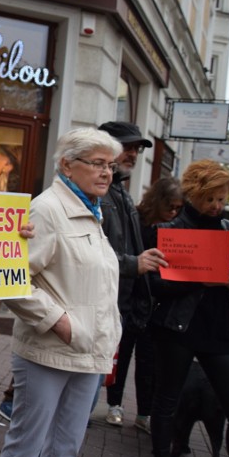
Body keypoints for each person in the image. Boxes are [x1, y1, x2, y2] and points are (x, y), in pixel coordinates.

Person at [0, 127, 122, 457]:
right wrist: (58, 321)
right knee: (26, 446)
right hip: (48, 353)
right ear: (67, 166)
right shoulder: (48, 210)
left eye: (111, 166)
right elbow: (11, 278)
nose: (107, 172)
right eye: (98, 163)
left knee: (66, 449)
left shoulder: (93, 210)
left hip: (88, 352)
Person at [147, 159, 229, 457]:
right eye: (209, 198)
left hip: (219, 329)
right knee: (167, 401)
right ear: (193, 193)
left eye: (221, 198)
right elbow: (156, 286)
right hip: (177, 327)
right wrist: (201, 279)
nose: (216, 206)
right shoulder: (168, 230)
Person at [97, 121, 167, 434]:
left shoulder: (121, 193)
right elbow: (85, 254)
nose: (134, 154)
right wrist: (133, 265)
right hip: (98, 306)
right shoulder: (96, 193)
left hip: (120, 307)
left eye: (137, 149)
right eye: (128, 146)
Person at [136, 176, 183, 248]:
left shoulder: (178, 224)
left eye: (178, 208)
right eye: (169, 207)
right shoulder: (137, 218)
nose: (173, 212)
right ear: (157, 201)